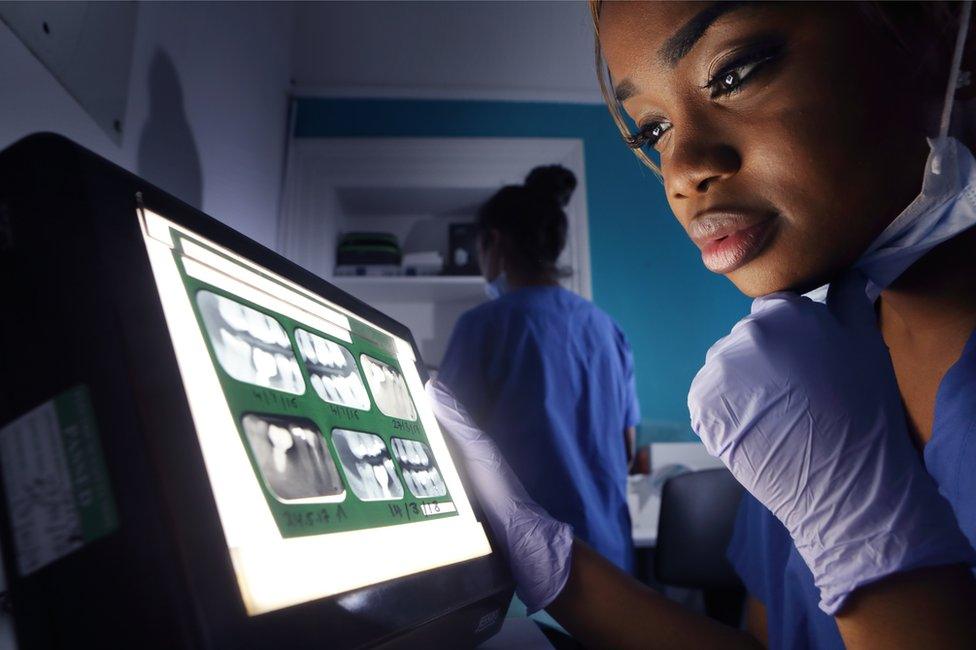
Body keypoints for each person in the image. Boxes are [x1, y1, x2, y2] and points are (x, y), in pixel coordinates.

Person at [427, 3, 976, 649]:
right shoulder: (807, 383)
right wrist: (551, 561)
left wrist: (874, 555)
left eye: (735, 73)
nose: (682, 170)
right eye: (652, 130)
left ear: (942, 44)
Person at [437, 165, 641, 574]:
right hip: (611, 565)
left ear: (492, 241)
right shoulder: (607, 330)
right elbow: (628, 451)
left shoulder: (485, 326)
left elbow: (445, 450)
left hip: (533, 568)